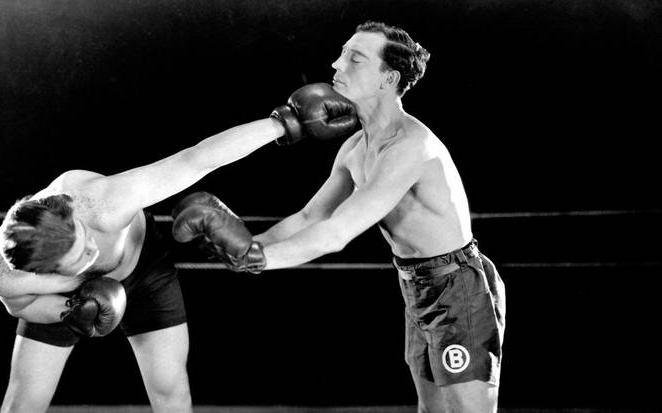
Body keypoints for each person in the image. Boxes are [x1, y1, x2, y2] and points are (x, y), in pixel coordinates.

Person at [172, 21, 506, 413]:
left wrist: (260, 259)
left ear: (389, 78)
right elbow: (311, 216)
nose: (336, 63)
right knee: (432, 411)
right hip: (417, 286)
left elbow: (338, 232)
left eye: (354, 58)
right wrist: (252, 247)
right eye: (342, 53)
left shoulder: (412, 147)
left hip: (458, 286)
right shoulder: (355, 147)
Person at [0, 84, 359, 413]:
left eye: (85, 241)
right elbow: (22, 304)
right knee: (23, 401)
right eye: (77, 261)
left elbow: (195, 159)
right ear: (41, 271)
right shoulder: (5, 275)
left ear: (72, 215)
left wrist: (286, 121)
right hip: (72, 299)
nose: (91, 256)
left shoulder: (103, 202)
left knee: (170, 389)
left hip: (143, 270)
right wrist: (70, 309)